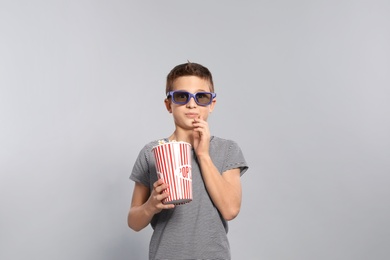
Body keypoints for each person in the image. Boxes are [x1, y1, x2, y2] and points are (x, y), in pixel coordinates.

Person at [127, 61, 249, 260]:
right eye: (182, 96)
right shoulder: (151, 152)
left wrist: (203, 155)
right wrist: (151, 205)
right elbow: (133, 222)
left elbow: (230, 210)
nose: (191, 104)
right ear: (169, 104)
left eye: (201, 97)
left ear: (212, 104)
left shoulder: (227, 149)